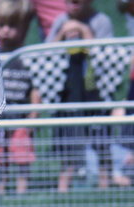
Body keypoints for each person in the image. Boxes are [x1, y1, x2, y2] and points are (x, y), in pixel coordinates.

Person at [47, 0, 111, 191]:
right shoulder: (61, 21)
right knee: (67, 140)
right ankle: (63, 188)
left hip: (95, 91)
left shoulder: (101, 21)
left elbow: (107, 58)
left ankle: (104, 185)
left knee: (100, 139)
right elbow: (45, 55)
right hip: (68, 92)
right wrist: (61, 34)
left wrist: (85, 33)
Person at [0, 0, 39, 195]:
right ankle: (1, 189)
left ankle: (22, 192)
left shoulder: (27, 57)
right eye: (1, 25)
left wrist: (33, 114)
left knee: (22, 154)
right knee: (0, 157)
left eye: (12, 26)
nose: (6, 30)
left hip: (21, 118)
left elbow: (35, 89)